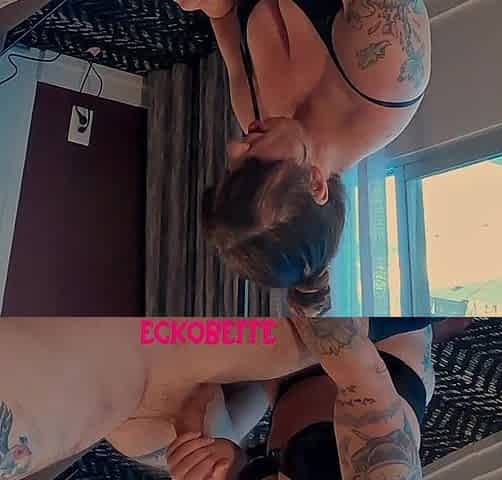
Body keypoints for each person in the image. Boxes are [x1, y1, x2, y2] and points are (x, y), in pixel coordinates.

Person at [176, 0, 432, 316]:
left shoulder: (253, 115)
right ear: (315, 183)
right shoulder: (390, 77)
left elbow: (223, 12)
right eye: (255, 164)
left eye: (232, 171)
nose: (235, 148)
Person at [0, 318, 468, 480]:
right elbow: (353, 361)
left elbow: (200, 405)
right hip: (375, 360)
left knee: (139, 436)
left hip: (275, 393)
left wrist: (208, 451)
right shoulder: (383, 470)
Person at [164, 318, 472, 480]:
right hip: (381, 357)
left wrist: (206, 456)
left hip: (284, 387)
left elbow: (197, 399)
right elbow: (361, 371)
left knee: (146, 428)